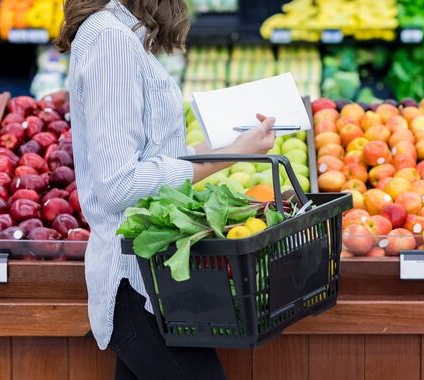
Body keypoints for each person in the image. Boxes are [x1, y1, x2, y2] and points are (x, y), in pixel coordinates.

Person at [56, 0, 276, 378]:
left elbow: (151, 158)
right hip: (136, 283)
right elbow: (119, 184)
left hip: (153, 278)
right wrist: (231, 157)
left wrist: (229, 147)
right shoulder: (111, 39)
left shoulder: (116, 34)